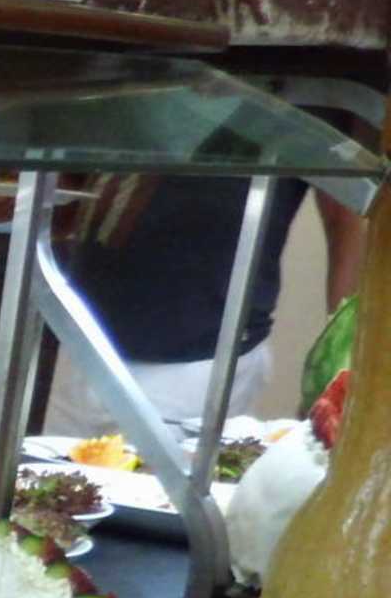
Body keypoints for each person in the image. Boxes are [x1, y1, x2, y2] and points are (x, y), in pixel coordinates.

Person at [43, 172, 362, 435]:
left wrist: (338, 366)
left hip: (198, 358)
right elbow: (77, 191)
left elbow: (347, 219)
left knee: (151, 493)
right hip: (81, 342)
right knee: (57, 485)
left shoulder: (311, 113)